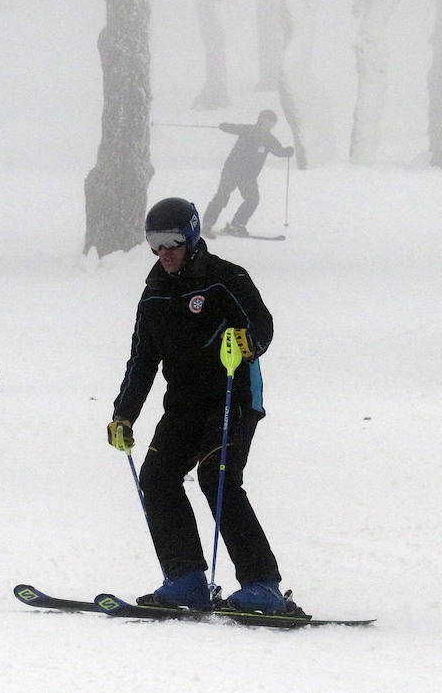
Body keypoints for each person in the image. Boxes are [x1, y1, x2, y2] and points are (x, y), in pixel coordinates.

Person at [106, 197, 299, 615]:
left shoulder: (224, 278)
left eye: (173, 239)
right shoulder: (154, 293)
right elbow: (142, 360)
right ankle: (187, 579)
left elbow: (261, 324)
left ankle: (262, 584)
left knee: (218, 479)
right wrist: (124, 413)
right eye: (155, 242)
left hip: (234, 397)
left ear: (192, 235)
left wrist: (248, 343)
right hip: (184, 406)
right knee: (156, 477)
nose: (165, 251)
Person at [201, 110, 294, 237]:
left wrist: (287, 151)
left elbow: (279, 151)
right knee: (222, 196)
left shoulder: (270, 139)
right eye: (267, 120)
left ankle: (236, 225)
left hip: (249, 177)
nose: (270, 124)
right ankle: (207, 224)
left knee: (252, 200)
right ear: (260, 119)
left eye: (273, 122)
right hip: (232, 171)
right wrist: (224, 126)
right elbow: (233, 128)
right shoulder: (248, 130)